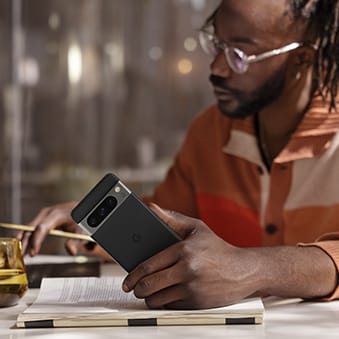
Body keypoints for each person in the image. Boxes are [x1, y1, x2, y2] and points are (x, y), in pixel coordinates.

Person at [17, 0, 339, 309]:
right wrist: (101, 225)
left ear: (302, 60)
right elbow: (166, 232)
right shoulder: (209, 133)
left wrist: (252, 268)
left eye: (240, 55)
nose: (215, 68)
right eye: (216, 44)